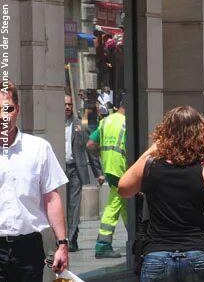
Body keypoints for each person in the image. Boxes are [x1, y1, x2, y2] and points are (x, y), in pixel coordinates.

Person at [118, 105, 204, 282]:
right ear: (202, 135)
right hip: (197, 254)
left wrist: (149, 152)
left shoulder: (150, 166)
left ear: (165, 134)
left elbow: (123, 189)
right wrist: (196, 221)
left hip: (157, 254)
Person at [0, 84, 71, 281]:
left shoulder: (38, 148)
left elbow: (51, 198)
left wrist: (62, 244)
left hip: (28, 249)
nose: (2, 116)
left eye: (8, 109)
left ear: (17, 110)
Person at [87, 94, 127, 258]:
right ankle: (102, 244)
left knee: (123, 203)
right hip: (121, 169)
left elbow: (90, 144)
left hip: (109, 168)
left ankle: (136, 237)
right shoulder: (127, 123)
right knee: (115, 203)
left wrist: (103, 155)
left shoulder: (105, 121)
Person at [65, 91, 103, 253]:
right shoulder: (52, 125)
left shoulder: (79, 125)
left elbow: (91, 150)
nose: (67, 107)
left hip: (75, 170)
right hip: (59, 171)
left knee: (74, 206)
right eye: (65, 105)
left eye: (70, 105)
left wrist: (98, 173)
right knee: (62, 205)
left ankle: (71, 239)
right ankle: (68, 235)